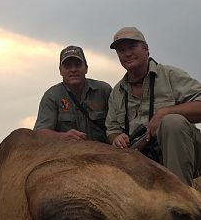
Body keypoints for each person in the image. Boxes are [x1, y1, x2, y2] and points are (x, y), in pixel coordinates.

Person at [106, 26, 201, 186]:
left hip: (184, 152)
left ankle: (179, 197)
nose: (127, 53)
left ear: (146, 49)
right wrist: (116, 138)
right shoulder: (117, 92)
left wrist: (164, 113)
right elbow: (112, 128)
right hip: (142, 159)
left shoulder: (171, 75)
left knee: (172, 122)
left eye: (132, 47)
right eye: (122, 50)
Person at [34, 45, 112, 143]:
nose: (73, 69)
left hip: (105, 153)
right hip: (68, 155)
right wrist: (61, 137)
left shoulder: (104, 90)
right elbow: (39, 133)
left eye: (77, 65)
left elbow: (117, 125)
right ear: (60, 71)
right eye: (68, 66)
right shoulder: (52, 96)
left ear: (86, 68)